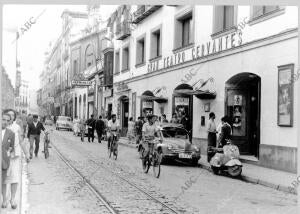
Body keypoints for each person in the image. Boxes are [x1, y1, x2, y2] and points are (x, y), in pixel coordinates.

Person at [2, 109, 29, 209]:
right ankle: (4, 199)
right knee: (3, 179)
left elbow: (21, 142)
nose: (10, 117)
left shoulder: (17, 127)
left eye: (12, 115)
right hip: (4, 157)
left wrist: (26, 154)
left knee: (14, 178)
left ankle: (12, 199)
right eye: (8, 115)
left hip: (15, 157)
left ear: (14, 117)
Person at [1, 112, 15, 209]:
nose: (5, 122)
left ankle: (5, 200)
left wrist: (9, 152)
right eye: (3, 119)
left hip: (4, 161)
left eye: (7, 120)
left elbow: (11, 147)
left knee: (3, 181)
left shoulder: (11, 133)